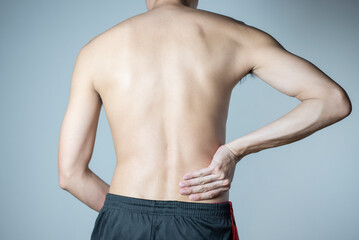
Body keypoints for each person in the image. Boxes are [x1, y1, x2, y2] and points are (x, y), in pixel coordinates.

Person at [57, 0, 352, 239]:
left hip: (123, 220)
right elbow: (333, 100)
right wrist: (236, 150)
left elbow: (70, 176)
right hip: (201, 219)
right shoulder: (237, 37)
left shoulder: (95, 51)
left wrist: (127, 215)